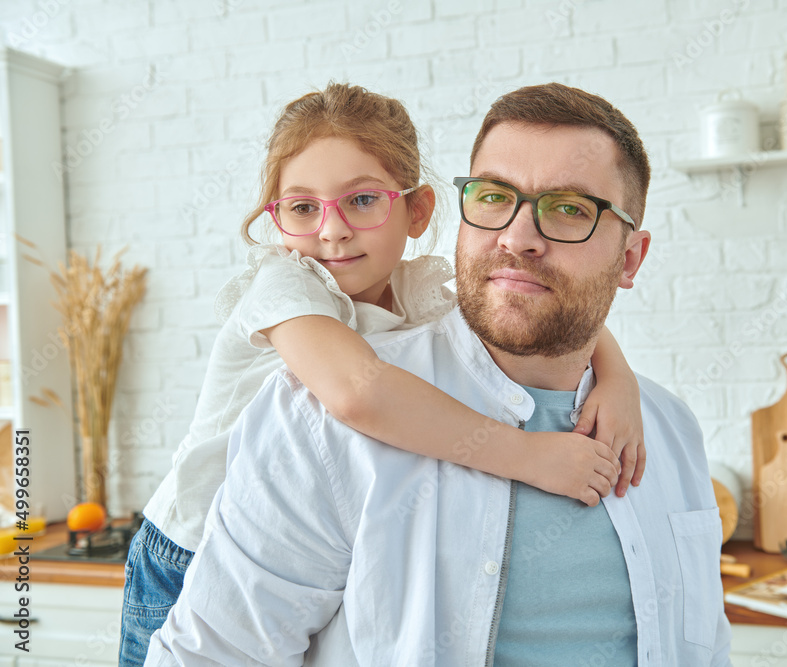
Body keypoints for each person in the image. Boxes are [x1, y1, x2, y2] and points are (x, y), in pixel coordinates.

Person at [145, 82, 731, 666]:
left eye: (570, 209)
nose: (517, 238)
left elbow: (543, 302)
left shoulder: (668, 429)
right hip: (179, 546)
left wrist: (620, 379)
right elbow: (356, 393)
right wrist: (529, 456)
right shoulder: (296, 333)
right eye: (496, 197)